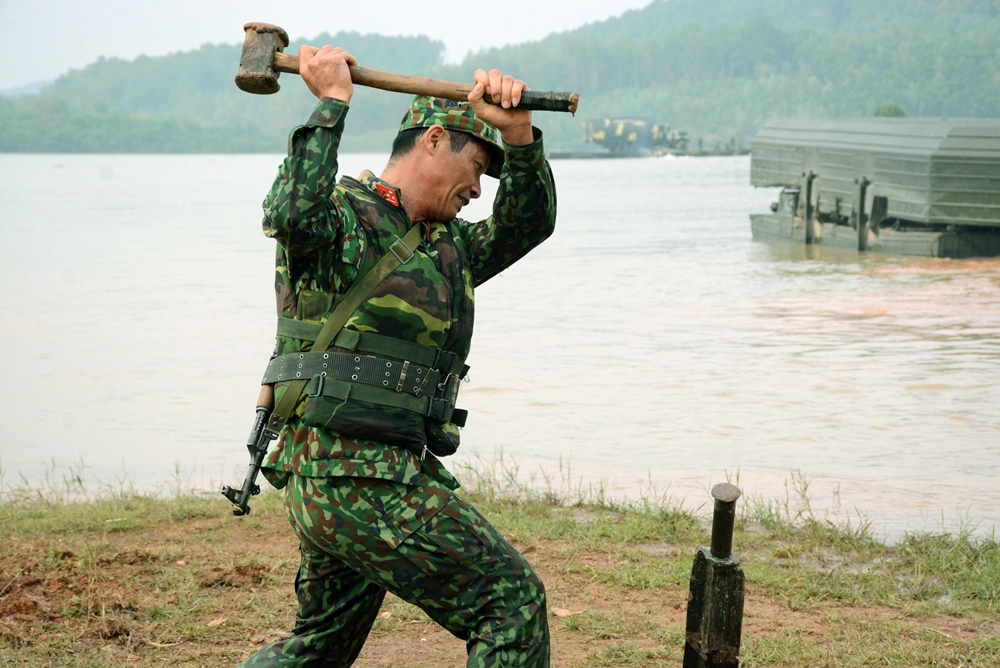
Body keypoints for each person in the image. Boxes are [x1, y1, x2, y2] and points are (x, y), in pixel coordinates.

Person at [238, 42, 556, 668]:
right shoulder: (341, 221)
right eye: (479, 166)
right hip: (355, 474)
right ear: (434, 140)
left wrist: (519, 139)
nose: (479, 188)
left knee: (321, 646)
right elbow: (289, 210)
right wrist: (332, 102)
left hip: (345, 475)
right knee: (510, 601)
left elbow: (528, 224)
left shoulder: (450, 249)